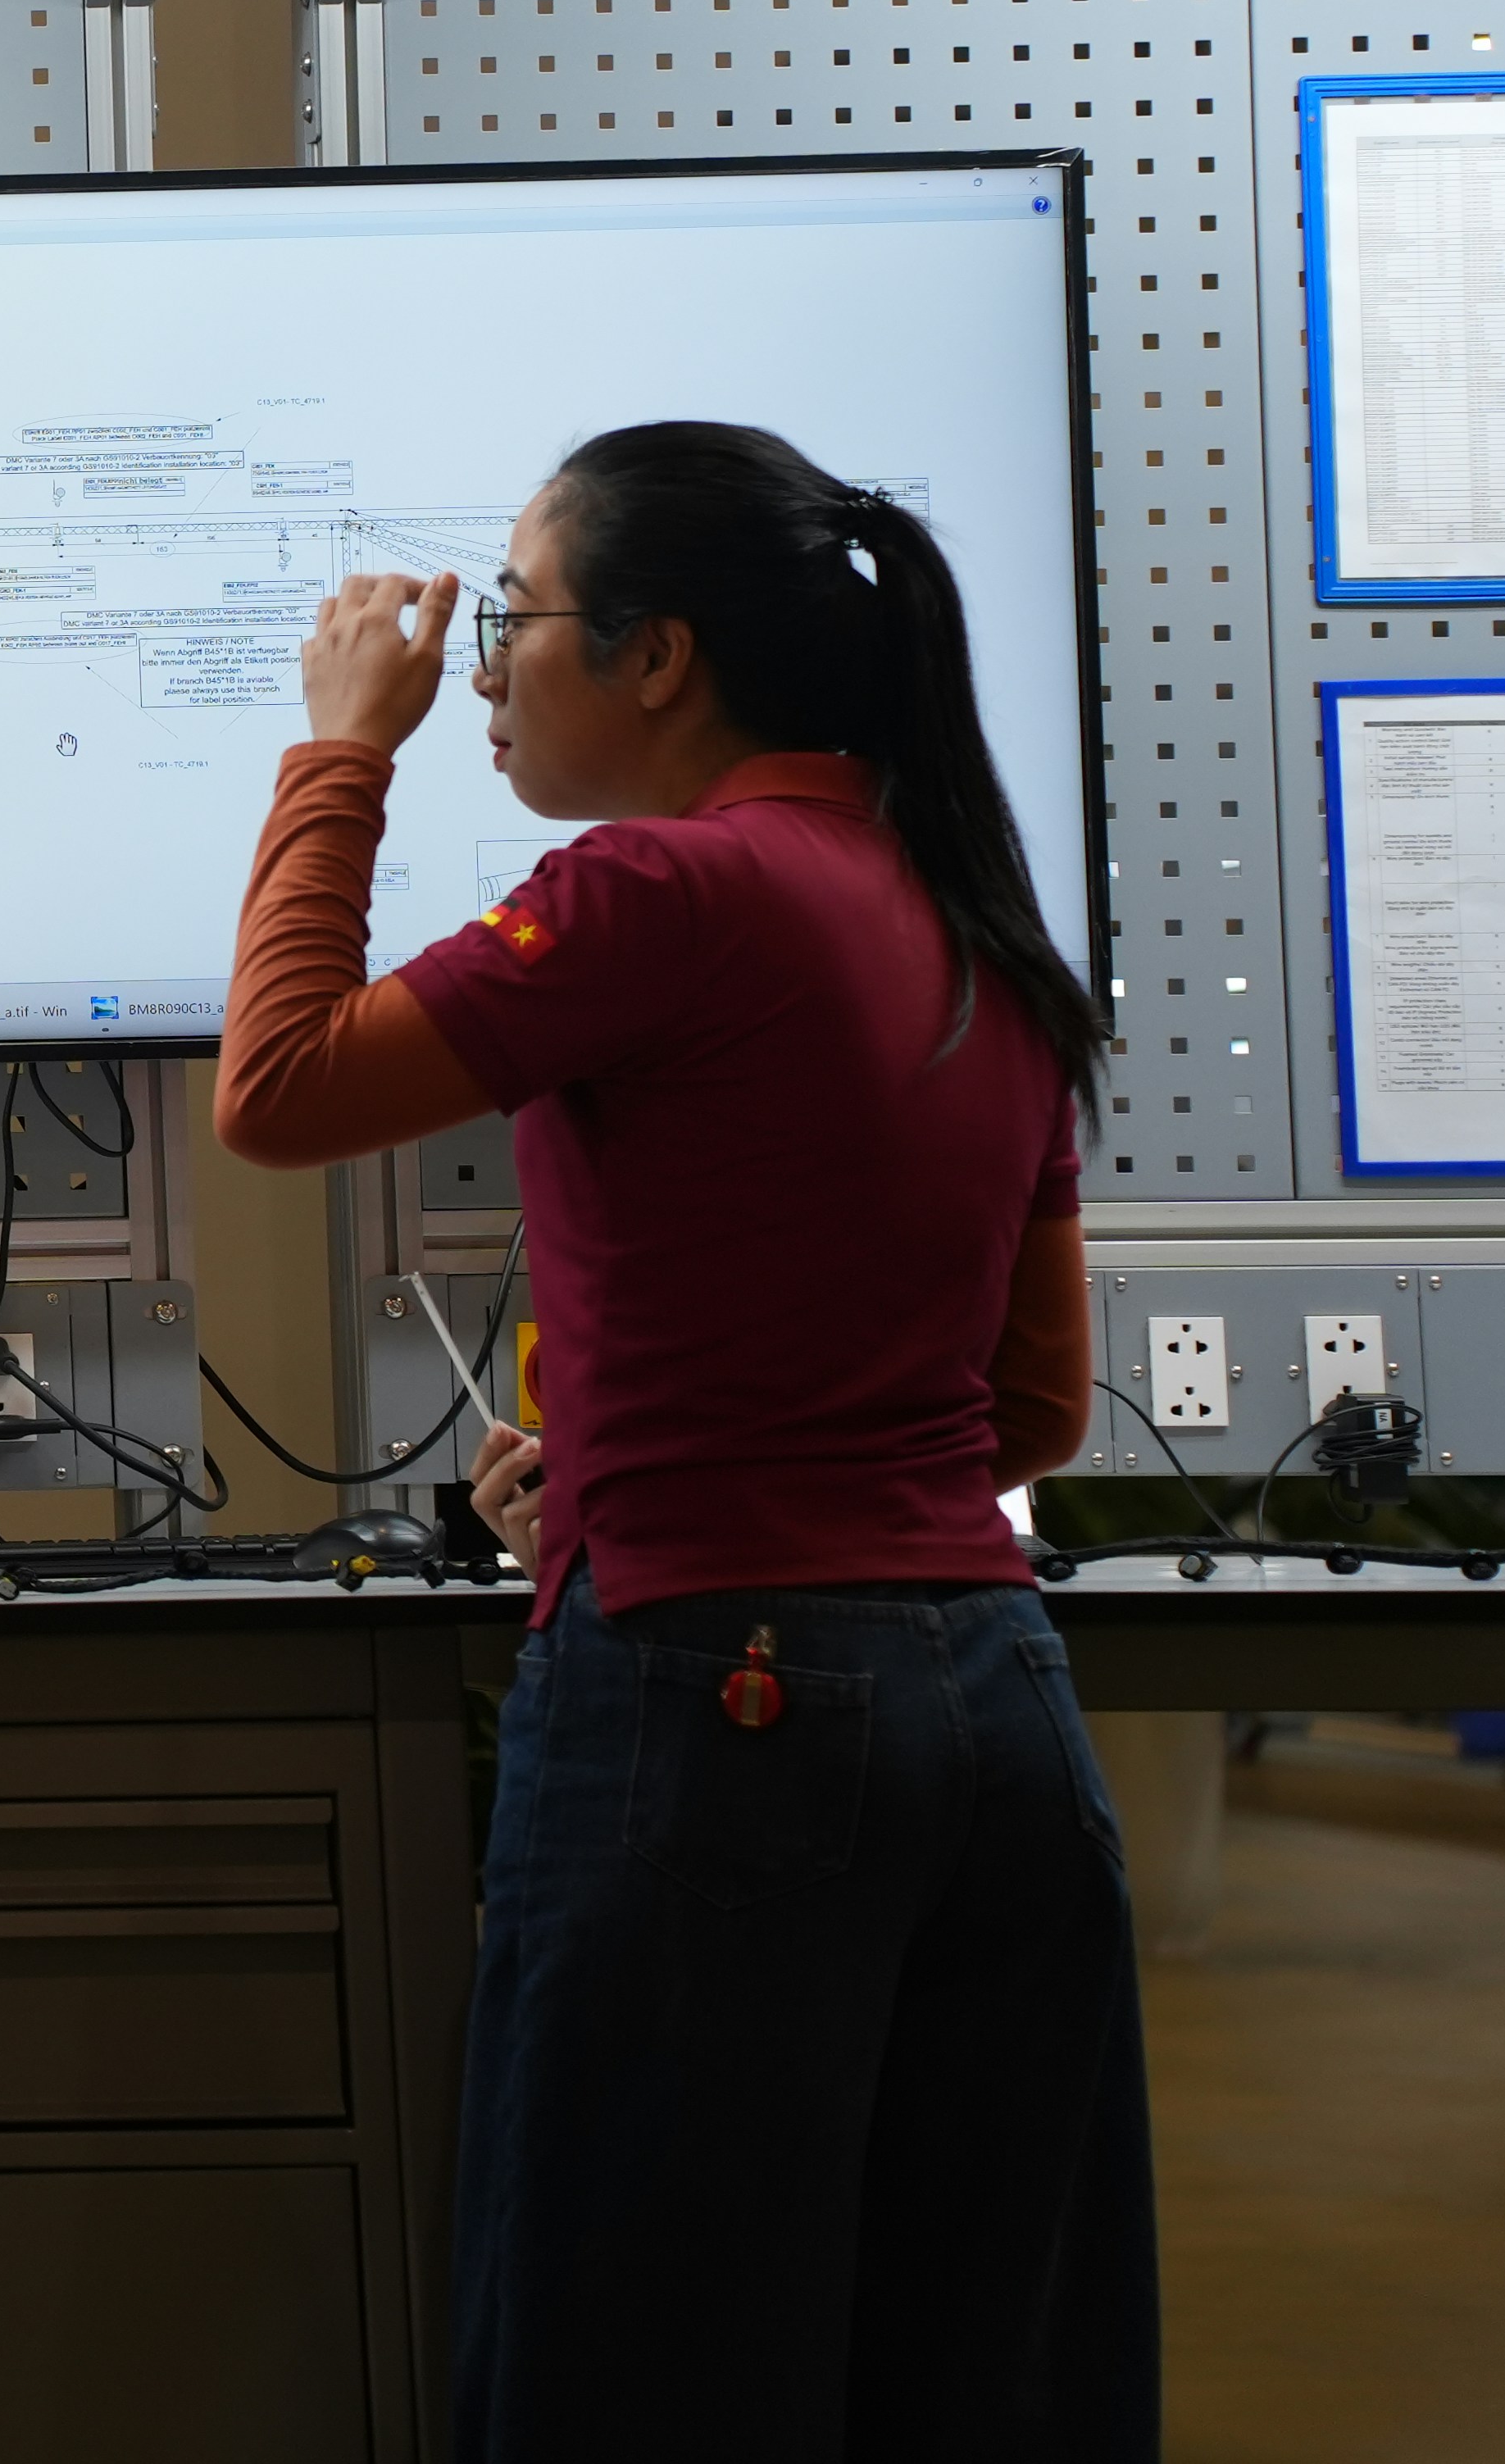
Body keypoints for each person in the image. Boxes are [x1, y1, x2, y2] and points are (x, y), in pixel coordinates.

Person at [210, 421, 1141, 2464]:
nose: (481, 668)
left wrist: (340, 749)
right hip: (998, 1706)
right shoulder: (974, 916)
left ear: (659, 656)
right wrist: (647, 1447)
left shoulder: (661, 886)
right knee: (973, 2378)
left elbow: (277, 1085)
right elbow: (1028, 1412)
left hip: (719, 1706)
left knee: (637, 2373)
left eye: (515, 618)